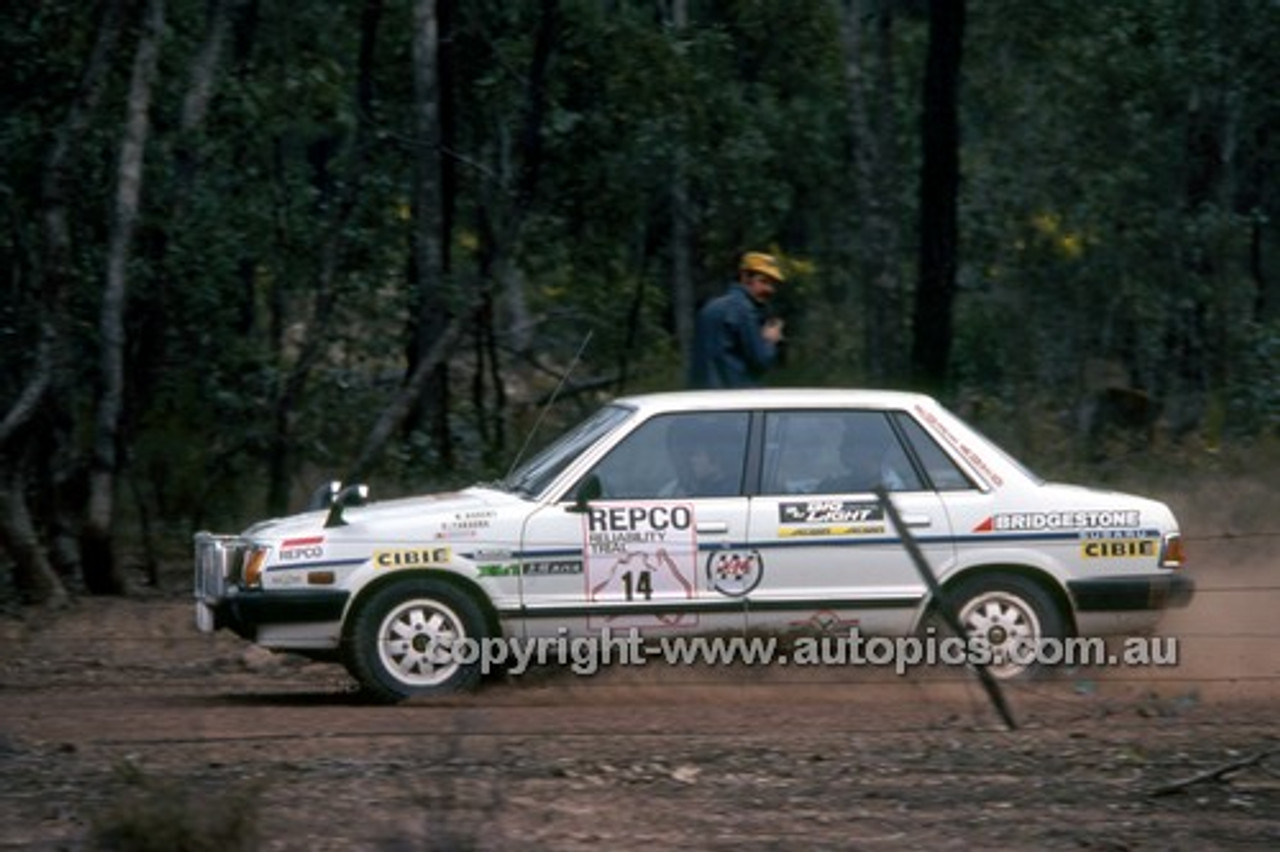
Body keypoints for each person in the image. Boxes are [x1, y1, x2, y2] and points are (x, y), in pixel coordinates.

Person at [688, 251, 786, 389]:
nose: (769, 289)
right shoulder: (745, 311)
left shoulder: (711, 307)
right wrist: (770, 340)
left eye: (772, 284)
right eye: (763, 281)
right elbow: (761, 360)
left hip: (701, 400)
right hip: (735, 400)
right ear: (745, 277)